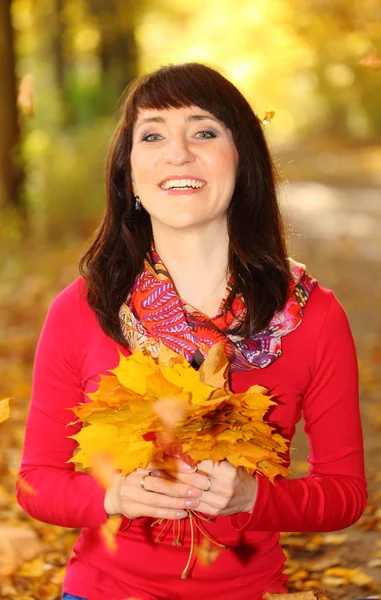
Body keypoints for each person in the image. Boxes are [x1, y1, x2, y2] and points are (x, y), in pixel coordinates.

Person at [17, 62, 367, 600]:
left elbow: (345, 494)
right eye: (152, 134)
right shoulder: (84, 310)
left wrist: (256, 498)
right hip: (105, 590)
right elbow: (35, 480)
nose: (178, 152)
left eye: (204, 131)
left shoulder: (313, 316)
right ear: (129, 175)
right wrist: (112, 495)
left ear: (242, 161)